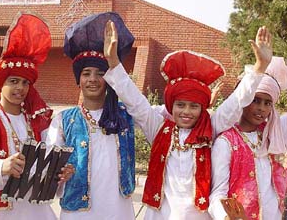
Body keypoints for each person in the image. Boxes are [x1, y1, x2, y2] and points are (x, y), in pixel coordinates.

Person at [103, 21, 272, 219]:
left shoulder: (211, 129)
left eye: (194, 106)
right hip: (160, 214)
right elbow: (135, 101)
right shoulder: (158, 129)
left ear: (203, 108)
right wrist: (113, 61)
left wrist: (260, 67)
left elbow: (236, 102)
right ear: (171, 106)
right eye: (180, 105)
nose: (187, 111)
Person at [46, 12, 136, 220]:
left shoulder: (125, 115)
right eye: (86, 73)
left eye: (100, 73)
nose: (93, 79)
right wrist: (60, 174)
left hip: (118, 211)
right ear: (79, 79)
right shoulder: (63, 121)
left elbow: (150, 111)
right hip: (78, 213)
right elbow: (49, 170)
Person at [0, 12, 65, 220]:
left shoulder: (38, 122)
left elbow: (50, 171)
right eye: (13, 81)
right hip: (4, 214)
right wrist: (0, 167)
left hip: (39, 212)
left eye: (25, 82)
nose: (20, 88)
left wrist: (62, 174)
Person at [208, 49, 287, 218]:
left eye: (267, 103)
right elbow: (217, 193)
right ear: (244, 101)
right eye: (255, 100)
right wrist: (225, 216)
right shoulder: (226, 142)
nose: (261, 108)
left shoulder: (272, 135)